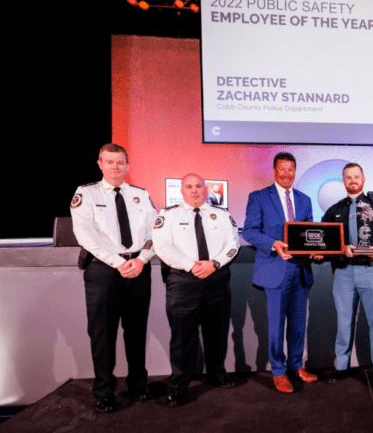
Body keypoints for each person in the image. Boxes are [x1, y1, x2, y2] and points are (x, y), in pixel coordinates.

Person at [70, 143, 157, 412]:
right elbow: (85, 235)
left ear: (127, 165)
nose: (115, 167)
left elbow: (157, 232)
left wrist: (141, 260)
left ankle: (138, 385)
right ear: (100, 164)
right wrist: (120, 263)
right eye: (110, 162)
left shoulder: (140, 195)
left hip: (139, 269)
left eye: (120, 163)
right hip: (104, 271)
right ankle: (105, 391)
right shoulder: (85, 193)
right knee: (103, 334)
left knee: (136, 331)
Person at [153, 173, 240, 406]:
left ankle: (217, 374)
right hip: (183, 282)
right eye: (189, 187)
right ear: (181, 191)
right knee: (182, 337)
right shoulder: (168, 215)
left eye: (198, 186)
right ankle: (179, 385)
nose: (194, 191)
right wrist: (192, 265)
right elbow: (162, 246)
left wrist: (214, 263)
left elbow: (233, 244)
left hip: (217, 279)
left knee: (217, 333)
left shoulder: (222, 215)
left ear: (206, 189)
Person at [241, 152, 319, 393]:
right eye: (282, 169)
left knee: (298, 324)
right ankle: (278, 371)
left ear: (295, 172)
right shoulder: (259, 197)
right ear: (274, 171)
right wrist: (273, 243)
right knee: (276, 325)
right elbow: (249, 232)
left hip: (301, 270)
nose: (287, 174)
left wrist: (316, 251)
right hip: (275, 268)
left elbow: (308, 235)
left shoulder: (304, 199)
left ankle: (296, 365)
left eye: (291, 170)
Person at [321, 163, 373, 389]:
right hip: (343, 273)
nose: (353, 180)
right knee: (344, 323)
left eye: (356, 176)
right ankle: (341, 367)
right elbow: (323, 239)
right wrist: (338, 249)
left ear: (363, 179)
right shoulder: (335, 210)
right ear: (343, 181)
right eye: (348, 177)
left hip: (371, 271)